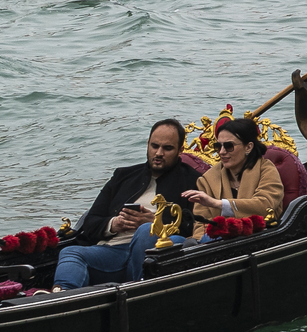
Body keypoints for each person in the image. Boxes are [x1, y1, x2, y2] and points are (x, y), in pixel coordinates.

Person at [53, 118, 204, 289]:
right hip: (113, 252)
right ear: (147, 144)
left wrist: (156, 223)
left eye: (167, 148)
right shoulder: (123, 176)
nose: (159, 153)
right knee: (70, 252)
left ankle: (140, 291)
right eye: (155, 146)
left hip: (155, 253)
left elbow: (195, 228)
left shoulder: (193, 181)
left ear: (180, 151)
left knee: (146, 231)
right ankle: (61, 296)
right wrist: (114, 224)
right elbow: (91, 221)